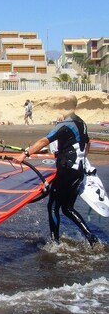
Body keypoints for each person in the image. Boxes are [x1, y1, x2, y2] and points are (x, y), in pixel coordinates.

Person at [15, 93, 98, 247]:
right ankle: (91, 237)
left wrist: (24, 154)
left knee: (53, 206)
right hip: (78, 170)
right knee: (67, 208)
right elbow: (88, 142)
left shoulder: (65, 124)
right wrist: (79, 156)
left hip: (67, 171)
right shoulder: (81, 123)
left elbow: (43, 141)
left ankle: (55, 243)